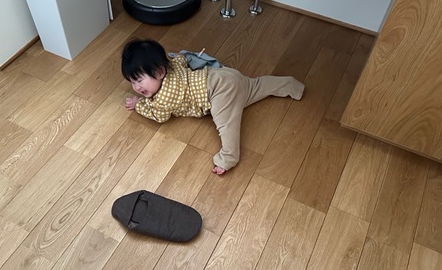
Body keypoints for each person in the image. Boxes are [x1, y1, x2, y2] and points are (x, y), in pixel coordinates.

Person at [122, 39, 305, 175]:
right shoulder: (173, 67)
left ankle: (228, 157)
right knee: (256, 86)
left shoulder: (163, 100)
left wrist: (139, 104)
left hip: (219, 91)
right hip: (223, 75)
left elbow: (160, 116)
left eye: (139, 80)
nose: (136, 87)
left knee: (226, 125)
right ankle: (292, 86)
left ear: (160, 72)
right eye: (132, 82)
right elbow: (181, 60)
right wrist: (179, 57)